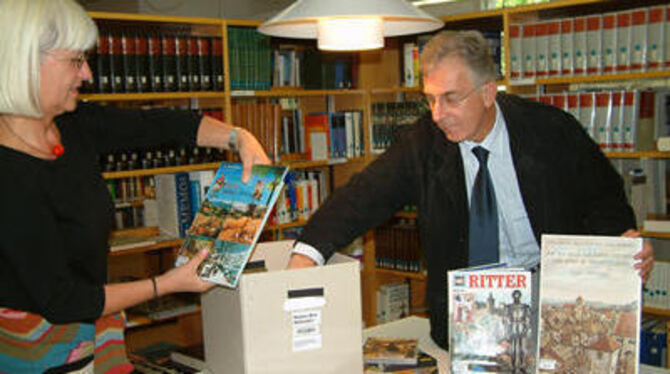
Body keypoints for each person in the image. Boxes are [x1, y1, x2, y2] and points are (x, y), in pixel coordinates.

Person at [287, 30, 654, 351]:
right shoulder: (423, 143)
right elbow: (362, 197)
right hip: (469, 311)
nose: (437, 113)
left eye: (451, 98)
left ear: (488, 92)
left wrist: (622, 244)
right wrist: (308, 251)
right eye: (429, 98)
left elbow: (603, 194)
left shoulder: (550, 129)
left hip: (553, 292)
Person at [0, 0, 270, 372]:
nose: (88, 74)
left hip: (94, 330)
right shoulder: (8, 175)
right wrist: (168, 283)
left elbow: (158, 124)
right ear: (26, 62)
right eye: (76, 61)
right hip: (38, 351)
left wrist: (238, 138)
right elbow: (61, 299)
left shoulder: (75, 124)